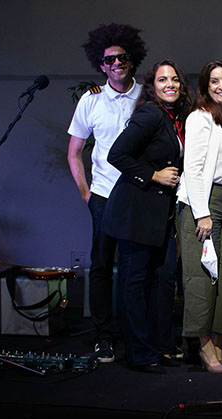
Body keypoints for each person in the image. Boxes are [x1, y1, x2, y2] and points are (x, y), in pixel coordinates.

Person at [100, 60, 194, 373]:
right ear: (152, 86)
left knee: (164, 278)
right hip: (135, 211)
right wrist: (153, 175)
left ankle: (161, 345)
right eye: (162, 79)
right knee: (134, 282)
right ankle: (139, 353)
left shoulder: (174, 117)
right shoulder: (151, 114)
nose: (170, 84)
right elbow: (117, 154)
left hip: (159, 215)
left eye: (175, 79)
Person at [67, 23, 147, 362]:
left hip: (137, 195)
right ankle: (103, 334)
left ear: (132, 59)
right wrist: (86, 193)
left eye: (122, 57)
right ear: (100, 64)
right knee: (101, 265)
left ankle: (132, 334)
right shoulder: (91, 100)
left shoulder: (147, 96)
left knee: (133, 269)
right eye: (109, 59)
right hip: (102, 195)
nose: (117, 64)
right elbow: (74, 152)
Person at [177, 61, 222, 374]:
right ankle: (204, 345)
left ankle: (220, 343)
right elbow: (192, 167)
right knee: (202, 277)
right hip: (204, 203)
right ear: (206, 87)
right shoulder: (200, 117)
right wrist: (202, 213)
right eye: (214, 81)